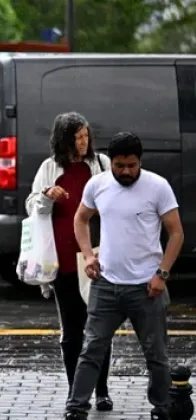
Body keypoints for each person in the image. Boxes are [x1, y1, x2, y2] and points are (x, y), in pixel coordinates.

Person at [68, 132, 183, 420]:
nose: (126, 171)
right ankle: (76, 407)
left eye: (132, 165)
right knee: (92, 348)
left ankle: (161, 406)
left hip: (147, 286)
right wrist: (88, 255)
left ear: (139, 161)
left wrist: (162, 274)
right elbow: (80, 218)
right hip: (106, 285)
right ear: (111, 163)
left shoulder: (158, 187)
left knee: (156, 354)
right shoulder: (98, 185)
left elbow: (177, 233)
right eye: (120, 165)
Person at [25, 112, 113, 410]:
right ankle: (76, 391)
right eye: (77, 137)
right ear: (64, 139)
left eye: (86, 135)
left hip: (98, 254)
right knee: (72, 329)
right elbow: (32, 205)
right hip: (63, 256)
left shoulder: (100, 164)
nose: (83, 142)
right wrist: (48, 195)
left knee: (99, 326)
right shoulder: (50, 168)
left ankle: (101, 389)